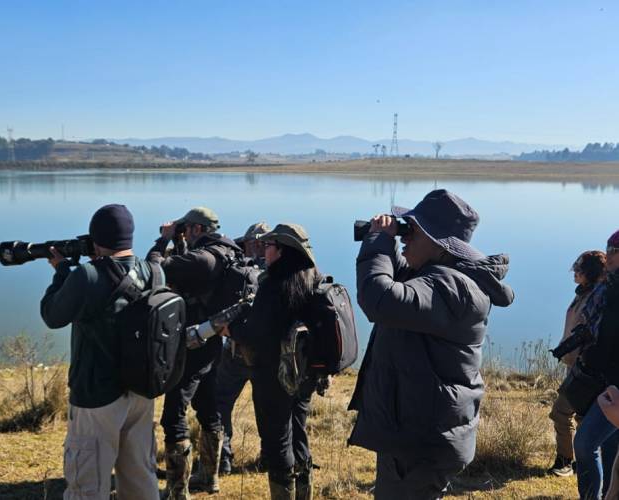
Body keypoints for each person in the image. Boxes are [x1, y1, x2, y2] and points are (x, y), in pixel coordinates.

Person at [348, 189, 514, 500]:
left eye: (412, 230)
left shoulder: (452, 288)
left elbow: (381, 300)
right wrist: (387, 240)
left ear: (438, 242)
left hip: (422, 437)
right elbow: (402, 283)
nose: (405, 237)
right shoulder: (437, 276)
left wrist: (379, 242)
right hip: (418, 428)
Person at [40, 204, 159, 500]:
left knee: (88, 484)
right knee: (141, 478)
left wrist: (61, 274)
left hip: (97, 397)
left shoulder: (87, 275)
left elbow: (52, 315)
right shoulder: (153, 272)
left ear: (95, 239)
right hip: (141, 391)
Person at [148, 207, 243, 499]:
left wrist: (162, 240)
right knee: (208, 406)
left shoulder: (201, 259)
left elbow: (153, 270)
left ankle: (177, 491)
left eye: (187, 228)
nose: (184, 232)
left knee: (174, 414)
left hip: (190, 345)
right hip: (211, 341)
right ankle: (209, 478)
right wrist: (180, 240)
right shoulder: (228, 251)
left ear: (198, 230)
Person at [230, 223, 322, 500]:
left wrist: (231, 329)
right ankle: (304, 493)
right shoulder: (312, 278)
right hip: (305, 374)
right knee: (298, 432)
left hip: (274, 377)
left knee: (277, 441)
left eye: (268, 246)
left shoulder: (273, 286)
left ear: (281, 251)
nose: (263, 250)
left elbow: (255, 335)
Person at [215, 221, 270, 474]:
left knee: (219, 404)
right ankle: (269, 459)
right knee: (270, 410)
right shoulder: (280, 273)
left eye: (247, 244)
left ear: (252, 244)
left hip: (236, 352)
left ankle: (222, 460)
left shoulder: (237, 272)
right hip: (267, 357)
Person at [548, 251, 607, 477]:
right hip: (575, 366)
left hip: (585, 370)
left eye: (579, 267)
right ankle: (580, 463)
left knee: (561, 412)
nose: (574, 270)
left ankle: (567, 461)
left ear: (590, 272)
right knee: (580, 416)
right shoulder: (583, 293)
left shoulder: (597, 299)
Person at [572, 229, 619, 499]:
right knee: (611, 444)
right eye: (608, 250)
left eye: (615, 251)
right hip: (604, 381)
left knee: (585, 442)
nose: (609, 256)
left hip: (615, 384)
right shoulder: (606, 288)